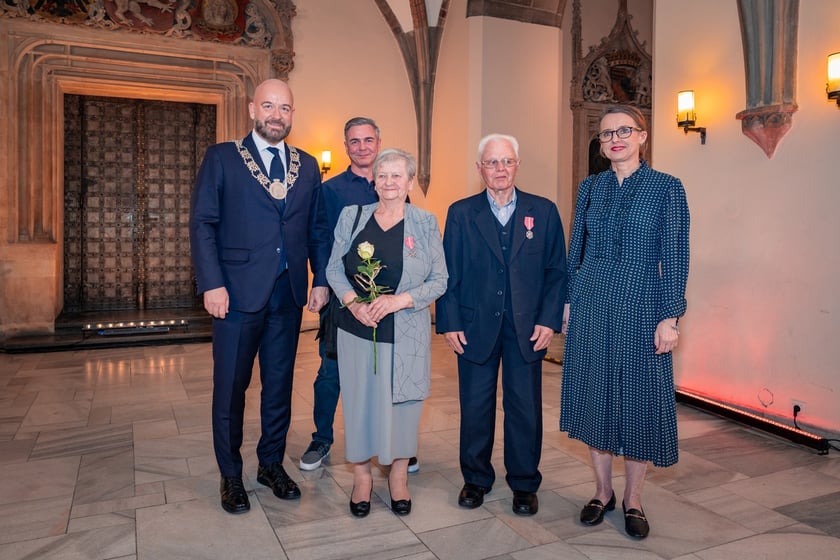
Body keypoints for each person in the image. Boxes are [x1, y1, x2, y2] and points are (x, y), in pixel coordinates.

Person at [189, 78, 328, 515]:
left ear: (292, 113)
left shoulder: (306, 166)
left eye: (285, 108)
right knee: (231, 388)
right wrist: (212, 283)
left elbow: (316, 229)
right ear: (252, 109)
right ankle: (231, 475)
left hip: (286, 296)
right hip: (234, 296)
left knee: (279, 387)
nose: (276, 115)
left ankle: (270, 464)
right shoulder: (223, 158)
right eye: (268, 106)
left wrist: (320, 278)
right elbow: (203, 224)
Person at [560, 105, 690, 539]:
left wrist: (670, 316)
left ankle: (633, 498)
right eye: (605, 134)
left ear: (642, 136)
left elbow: (674, 257)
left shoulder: (666, 189)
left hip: (642, 306)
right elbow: (575, 252)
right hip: (593, 303)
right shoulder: (590, 188)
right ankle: (602, 491)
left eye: (623, 131)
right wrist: (568, 302)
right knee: (597, 399)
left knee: (639, 403)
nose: (614, 139)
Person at [436, 133, 567, 516]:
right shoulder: (461, 213)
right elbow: (449, 272)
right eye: (492, 162)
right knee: (475, 406)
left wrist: (549, 319)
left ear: (517, 165)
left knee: (524, 407)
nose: (500, 169)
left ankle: (524, 483)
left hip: (528, 328)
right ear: (480, 169)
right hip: (475, 326)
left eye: (506, 161)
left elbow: (557, 270)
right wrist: (449, 321)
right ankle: (475, 479)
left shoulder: (543, 211)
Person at [326, 148, 447, 518]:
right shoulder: (353, 216)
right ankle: (361, 478)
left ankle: (398, 478)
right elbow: (333, 269)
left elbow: (440, 280)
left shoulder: (425, 222)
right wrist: (354, 303)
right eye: (383, 175)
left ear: (410, 182)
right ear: (373, 181)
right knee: (360, 403)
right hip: (357, 329)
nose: (390, 182)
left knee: (404, 407)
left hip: (406, 330)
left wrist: (400, 301)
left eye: (398, 176)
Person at [301, 117, 420, 474]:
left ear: (379, 141)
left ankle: (396, 446)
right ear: (346, 146)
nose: (362, 147)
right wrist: (321, 282)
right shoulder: (331, 189)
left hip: (388, 302)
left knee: (388, 374)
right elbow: (321, 239)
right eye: (355, 141)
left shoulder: (394, 184)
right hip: (344, 298)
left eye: (368, 140)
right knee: (331, 372)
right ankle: (322, 439)